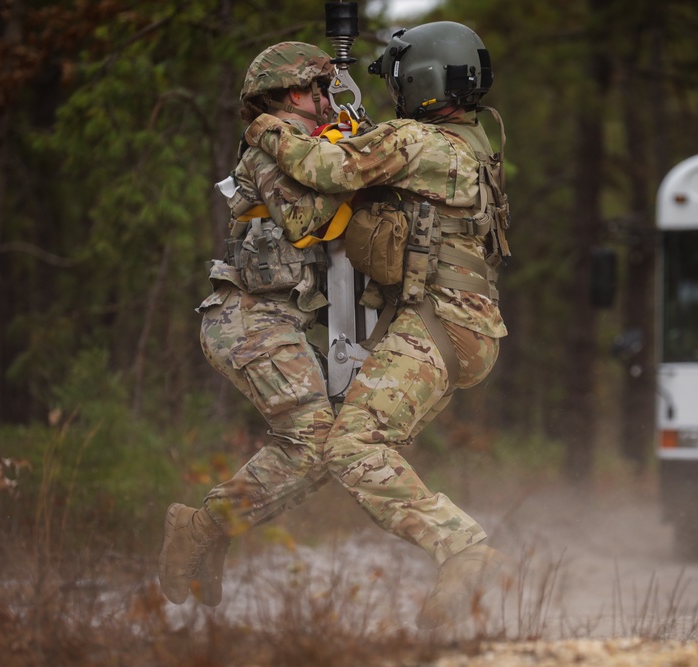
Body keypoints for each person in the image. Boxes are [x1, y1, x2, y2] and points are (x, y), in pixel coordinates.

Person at [242, 20, 511, 629]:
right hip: (461, 326)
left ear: (420, 79)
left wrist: (266, 127)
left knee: (351, 444)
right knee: (357, 438)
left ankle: (463, 550)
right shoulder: (469, 142)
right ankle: (461, 556)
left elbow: (323, 168)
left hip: (441, 323)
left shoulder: (418, 142)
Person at [158, 41, 349, 608]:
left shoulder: (309, 148)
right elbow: (306, 220)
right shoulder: (272, 151)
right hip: (246, 317)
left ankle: (210, 530)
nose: (330, 102)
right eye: (323, 91)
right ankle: (199, 528)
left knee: (338, 443)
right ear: (296, 92)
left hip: (275, 322)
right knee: (314, 439)